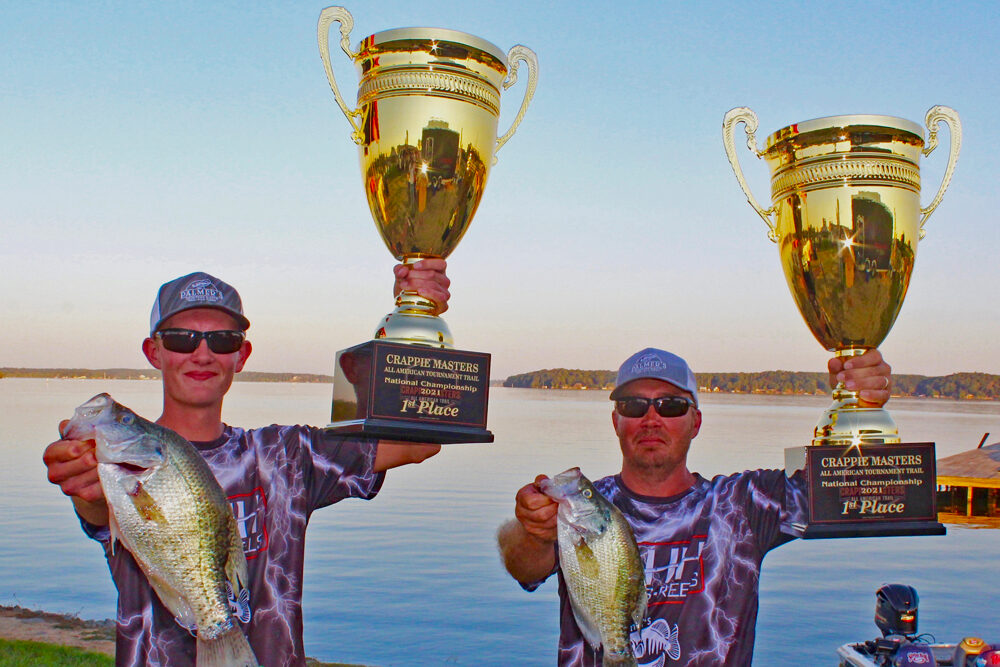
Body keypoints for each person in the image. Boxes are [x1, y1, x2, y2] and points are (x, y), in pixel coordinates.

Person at [43, 261, 450, 666]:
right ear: (154, 351)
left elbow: (419, 442)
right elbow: (97, 506)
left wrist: (412, 321)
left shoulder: (286, 455)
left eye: (221, 340)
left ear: (241, 354)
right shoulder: (115, 465)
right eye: (182, 339)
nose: (202, 353)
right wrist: (82, 484)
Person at [496, 346, 893, 666]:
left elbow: (848, 487)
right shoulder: (580, 508)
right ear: (616, 421)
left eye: (670, 406)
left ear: (696, 421)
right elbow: (524, 566)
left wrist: (860, 411)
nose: (651, 419)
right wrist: (530, 528)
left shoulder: (742, 505)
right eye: (634, 406)